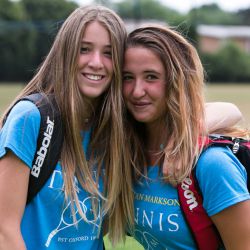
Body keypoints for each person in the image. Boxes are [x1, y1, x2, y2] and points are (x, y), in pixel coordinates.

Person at [0, 5, 134, 250]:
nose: (96, 63)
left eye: (109, 53)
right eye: (84, 49)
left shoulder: (118, 129)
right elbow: (4, 231)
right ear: (66, 52)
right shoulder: (31, 118)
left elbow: (225, 112)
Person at [122, 24, 250, 249]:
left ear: (176, 81)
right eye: (127, 77)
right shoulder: (128, 157)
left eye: (151, 77)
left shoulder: (211, 164)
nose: (136, 90)